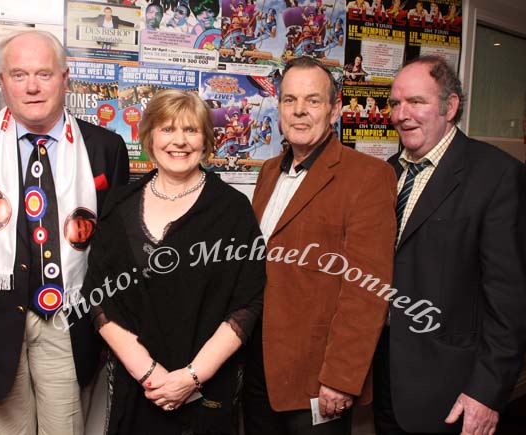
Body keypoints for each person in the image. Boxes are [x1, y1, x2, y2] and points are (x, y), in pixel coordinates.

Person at [0, 30, 130, 435]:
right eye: (19, 75)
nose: (33, 86)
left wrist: (113, 329)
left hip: (71, 325)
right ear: (1, 81)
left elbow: (117, 252)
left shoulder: (104, 147)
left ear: (64, 78)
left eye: (44, 73)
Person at [80, 88, 265, 434]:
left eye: (191, 130)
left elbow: (248, 302)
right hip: (138, 390)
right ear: (148, 136)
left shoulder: (232, 209)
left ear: (206, 140)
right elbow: (98, 297)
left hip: (208, 392)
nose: (179, 141)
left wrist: (190, 378)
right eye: (167, 129)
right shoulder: (120, 205)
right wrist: (151, 375)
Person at [243, 56, 397, 435]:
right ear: (278, 107)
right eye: (289, 100)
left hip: (317, 378)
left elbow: (366, 288)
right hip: (258, 368)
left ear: (334, 109)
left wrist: (342, 378)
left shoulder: (368, 176)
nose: (299, 111)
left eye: (312, 100)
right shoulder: (267, 171)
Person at [373, 56, 526, 435]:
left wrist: (487, 392)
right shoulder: (385, 174)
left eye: (416, 102)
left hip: (453, 392)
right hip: (385, 377)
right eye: (395, 104)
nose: (401, 114)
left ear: (450, 106)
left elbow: (510, 300)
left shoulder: (497, 176)